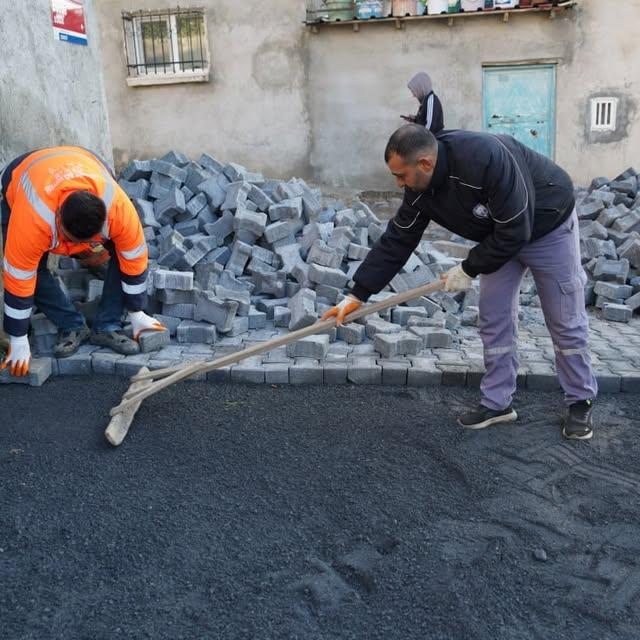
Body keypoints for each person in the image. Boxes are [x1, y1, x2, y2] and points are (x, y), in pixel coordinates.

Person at [323, 125, 598, 441]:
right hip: (499, 236)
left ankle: (580, 399)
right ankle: (497, 403)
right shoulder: (420, 189)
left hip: (548, 226)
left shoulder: (486, 158)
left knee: (564, 319)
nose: (399, 184)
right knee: (493, 318)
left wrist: (467, 269)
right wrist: (357, 294)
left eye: (401, 175)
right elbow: (399, 237)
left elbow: (516, 231)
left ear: (424, 163)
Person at [1, 146, 165, 377]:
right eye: (71, 240)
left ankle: (106, 326)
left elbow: (134, 259)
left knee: (119, 253)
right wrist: (17, 338)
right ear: (58, 218)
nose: (73, 247)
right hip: (22, 174)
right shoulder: (31, 219)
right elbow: (19, 279)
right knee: (32, 270)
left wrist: (137, 313)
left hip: (84, 159)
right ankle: (72, 325)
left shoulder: (118, 209)